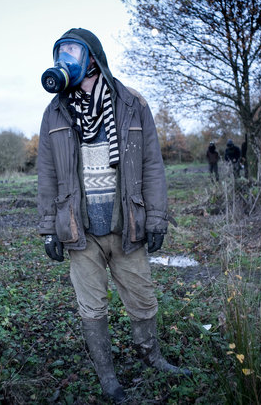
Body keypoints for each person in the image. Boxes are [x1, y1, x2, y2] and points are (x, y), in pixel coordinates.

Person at [37, 28, 190, 402]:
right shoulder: (55, 110)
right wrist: (48, 228)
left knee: (142, 297)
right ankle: (108, 378)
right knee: (91, 305)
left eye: (72, 50)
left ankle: (151, 356)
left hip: (126, 223)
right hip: (80, 228)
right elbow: (47, 174)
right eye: (60, 51)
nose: (65, 58)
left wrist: (156, 217)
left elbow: (152, 164)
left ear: (92, 57)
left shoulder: (131, 102)